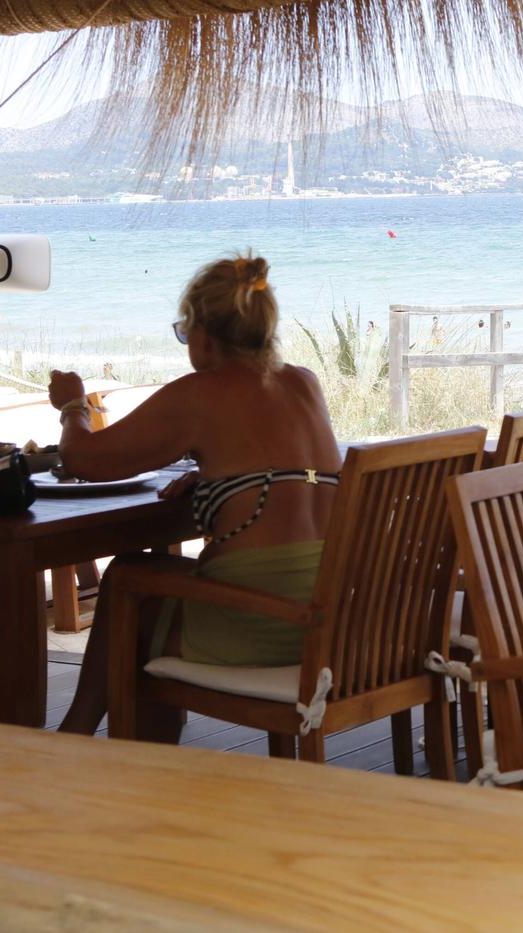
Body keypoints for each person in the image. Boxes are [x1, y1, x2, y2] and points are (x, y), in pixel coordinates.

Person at [56, 253, 342, 739]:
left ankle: (76, 734)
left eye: (184, 333)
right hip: (333, 615)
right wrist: (217, 481)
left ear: (204, 337)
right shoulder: (304, 383)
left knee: (127, 580)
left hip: (267, 623)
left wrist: (72, 404)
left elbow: (85, 459)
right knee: (144, 589)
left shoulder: (199, 393)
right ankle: (129, 755)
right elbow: (283, 469)